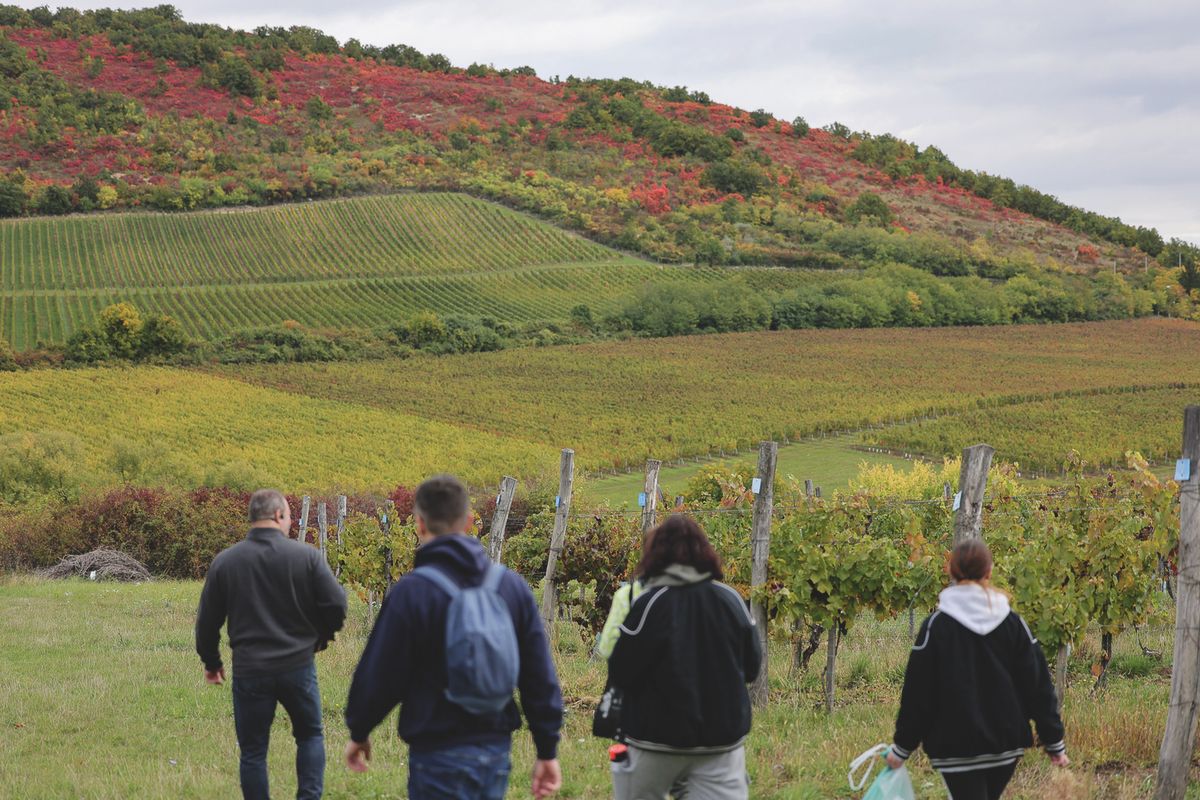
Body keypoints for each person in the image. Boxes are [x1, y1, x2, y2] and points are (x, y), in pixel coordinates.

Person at [342, 474, 564, 799]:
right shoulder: (510, 587)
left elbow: (381, 673)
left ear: (419, 524)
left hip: (435, 752)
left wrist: (360, 730)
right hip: (493, 749)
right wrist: (547, 750)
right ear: (470, 521)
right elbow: (538, 676)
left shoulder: (412, 592)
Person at [886, 539, 1069, 800]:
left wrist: (902, 748)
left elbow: (918, 694)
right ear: (989, 572)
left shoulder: (935, 627)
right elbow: (1037, 686)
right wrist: (1054, 742)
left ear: (951, 571)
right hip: (1005, 745)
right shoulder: (1013, 623)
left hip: (954, 747)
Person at [195, 489, 348, 800]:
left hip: (250, 669)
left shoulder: (226, 562)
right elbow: (337, 604)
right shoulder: (306, 557)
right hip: (298, 666)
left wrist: (212, 662)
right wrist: (320, 637)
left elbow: (207, 623)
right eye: (290, 517)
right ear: (279, 516)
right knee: (310, 736)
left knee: (253, 751)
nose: (290, 523)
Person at [607, 514, 761, 800]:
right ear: (705, 552)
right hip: (720, 743)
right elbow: (752, 668)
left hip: (653, 740)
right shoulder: (731, 600)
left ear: (654, 555)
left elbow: (621, 672)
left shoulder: (649, 604)